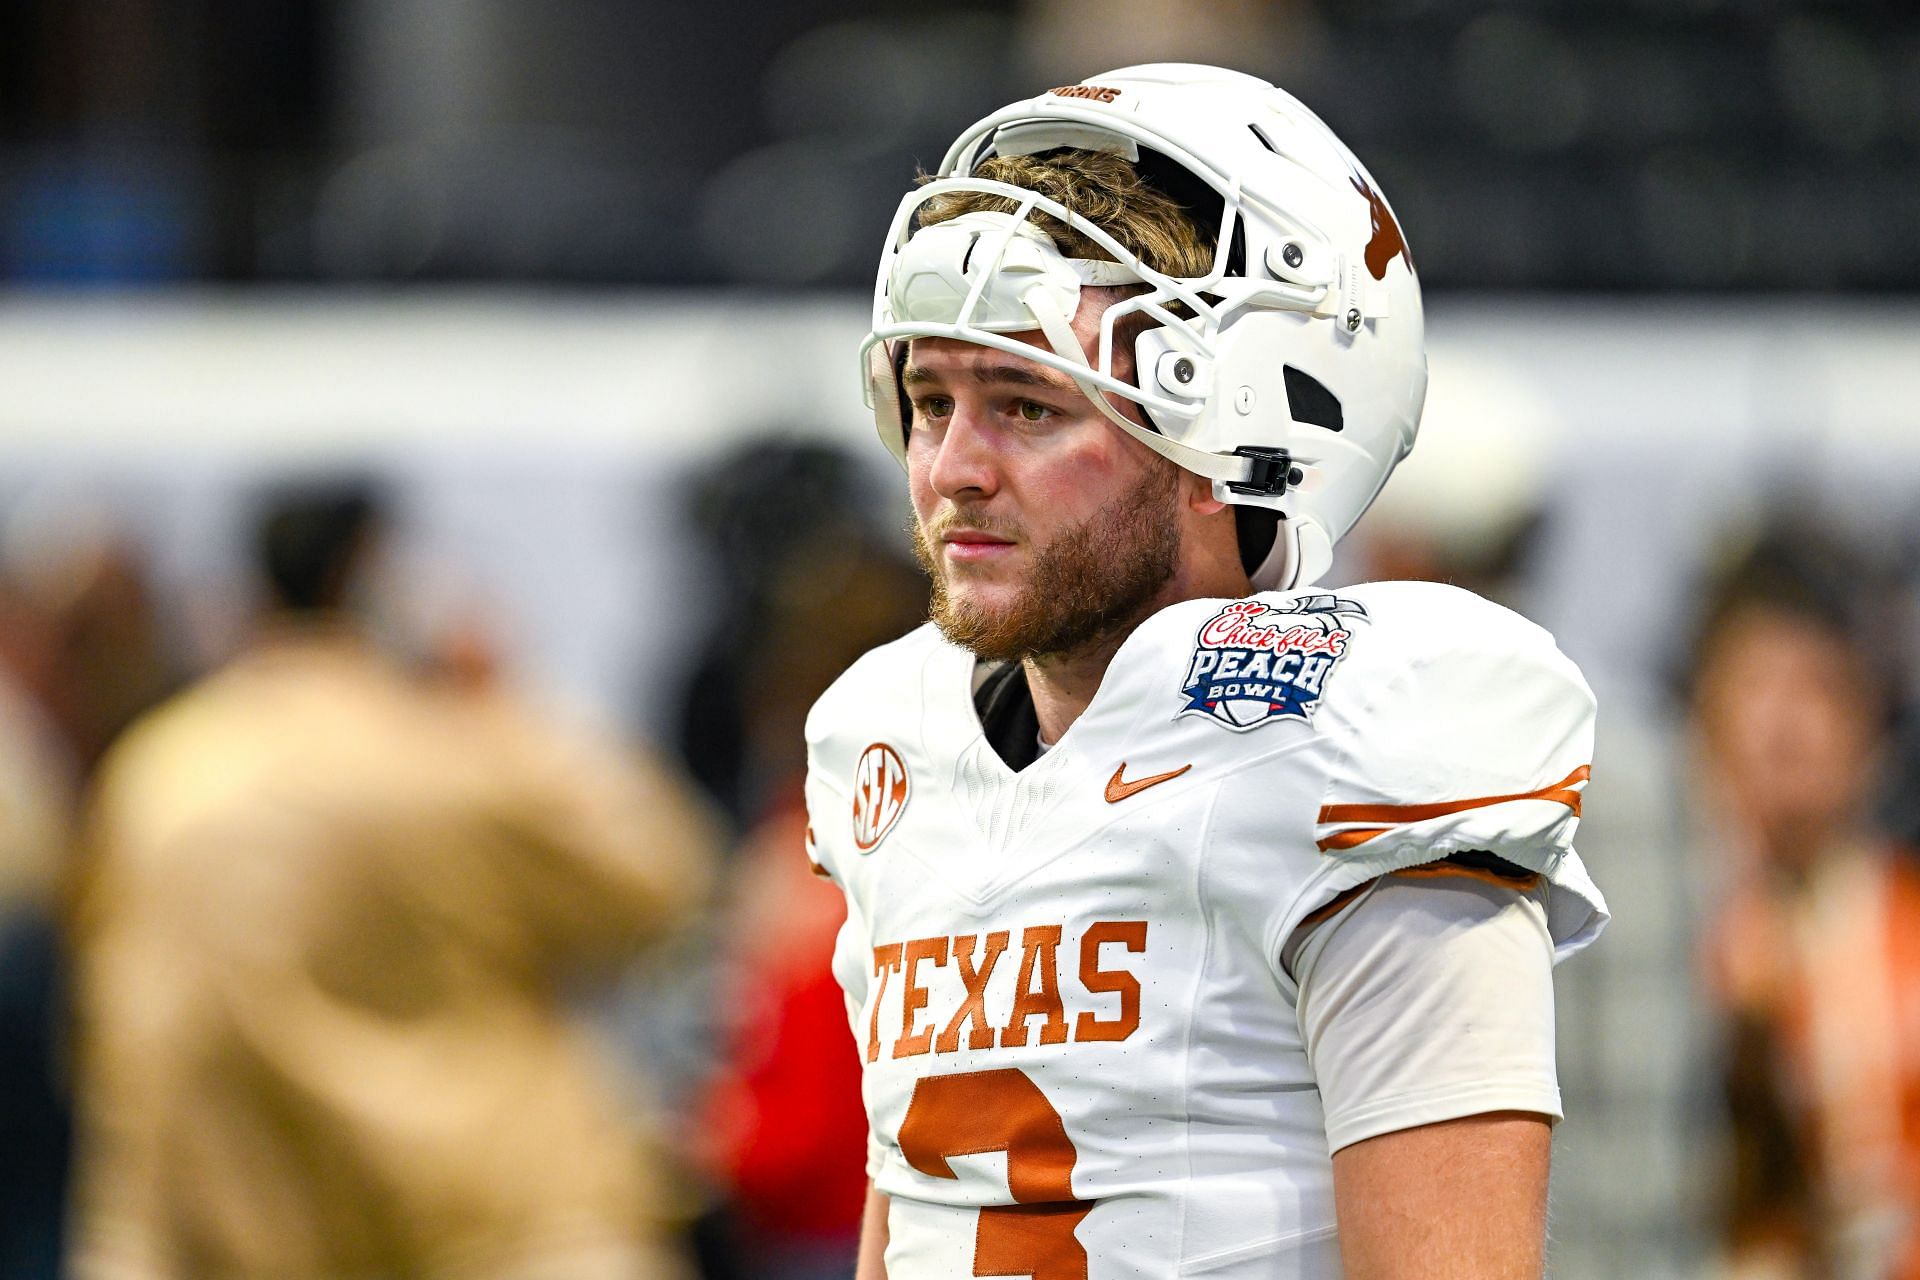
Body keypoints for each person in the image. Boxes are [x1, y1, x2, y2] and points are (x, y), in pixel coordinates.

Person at [802, 65, 1608, 1278]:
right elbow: (912, 1212)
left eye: (1026, 405)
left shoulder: (1360, 736)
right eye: (930, 400)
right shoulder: (893, 738)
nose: (952, 468)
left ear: (1225, 437)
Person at [66, 481, 716, 1280]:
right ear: (382, 582)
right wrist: (506, 696)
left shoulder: (155, 775)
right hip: (488, 1232)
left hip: (238, 1240)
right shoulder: (453, 755)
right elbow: (664, 874)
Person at [1692, 533, 1920, 1279]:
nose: (1785, 729)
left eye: (1819, 689)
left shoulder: (1902, 930)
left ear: (1870, 724)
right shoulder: (1653, 932)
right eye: (1757, 687)